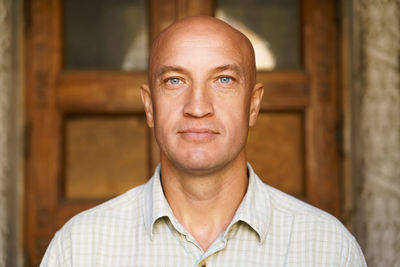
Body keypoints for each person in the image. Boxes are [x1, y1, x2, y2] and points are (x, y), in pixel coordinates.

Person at [41, 16, 367, 266]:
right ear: (149, 105)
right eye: (175, 80)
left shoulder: (329, 249)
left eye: (223, 79)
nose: (197, 107)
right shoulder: (80, 248)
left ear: (253, 105)